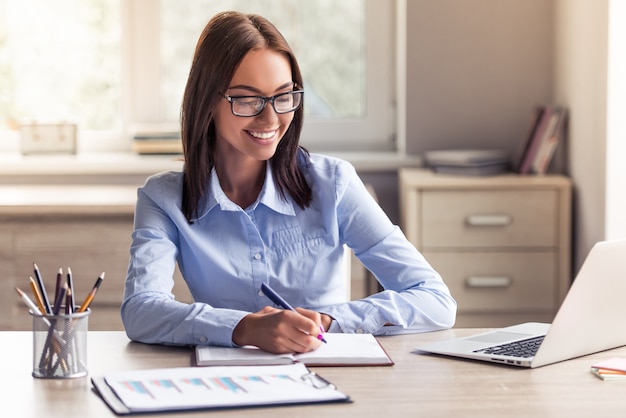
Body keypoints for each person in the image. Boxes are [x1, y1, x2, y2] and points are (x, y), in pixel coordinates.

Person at [121, 11, 456, 354]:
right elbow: (141, 310)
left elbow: (435, 300)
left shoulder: (333, 184)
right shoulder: (163, 198)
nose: (270, 118)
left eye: (283, 97)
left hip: (327, 378)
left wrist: (328, 321)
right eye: (248, 99)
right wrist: (244, 328)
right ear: (207, 102)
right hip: (228, 385)